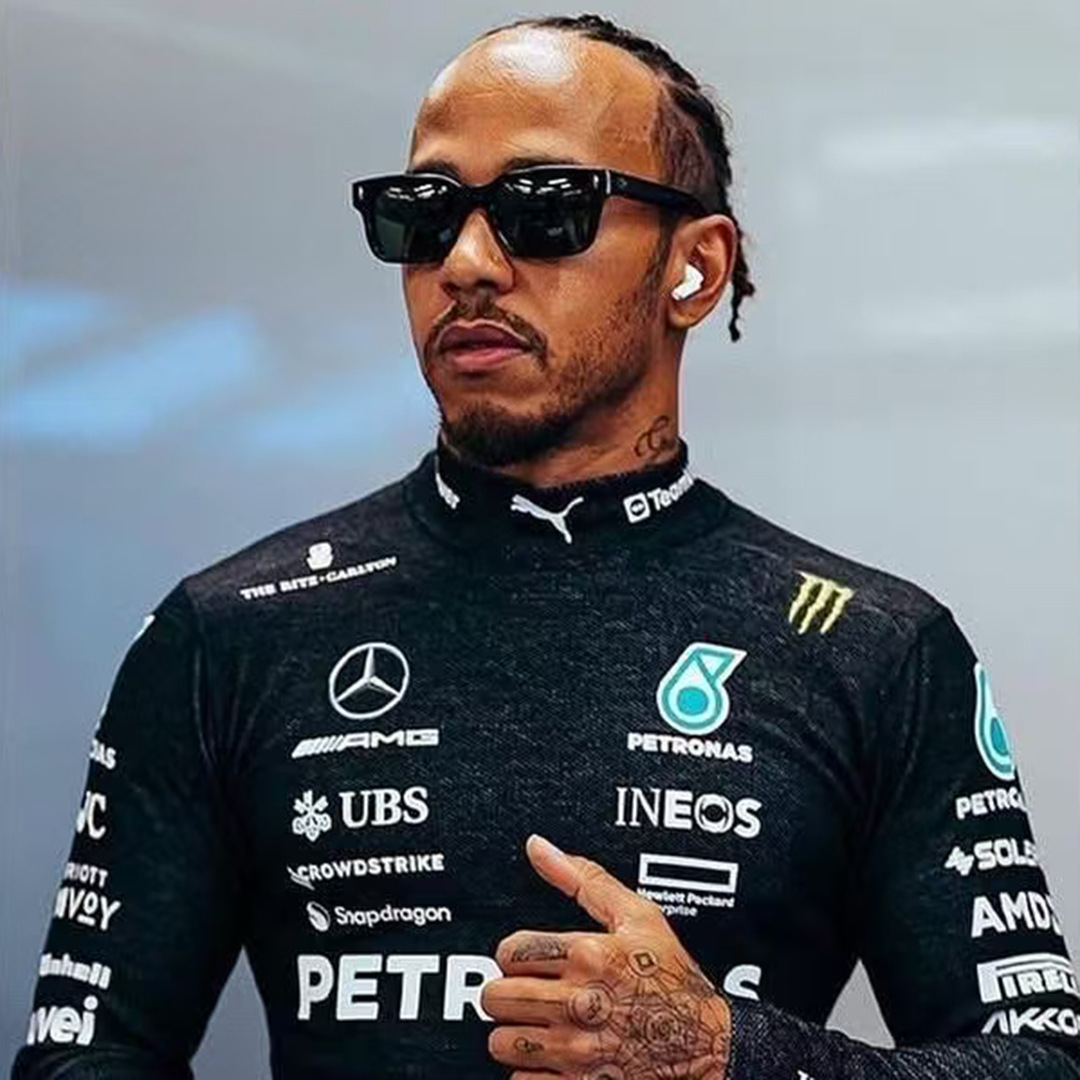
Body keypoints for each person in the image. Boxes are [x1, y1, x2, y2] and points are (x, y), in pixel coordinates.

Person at [11, 13, 1080, 1080]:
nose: (467, 262)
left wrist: (728, 1056)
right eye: (424, 215)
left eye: (545, 208)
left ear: (695, 269)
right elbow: (82, 1056)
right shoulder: (226, 634)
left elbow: (1040, 1060)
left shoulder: (876, 651)